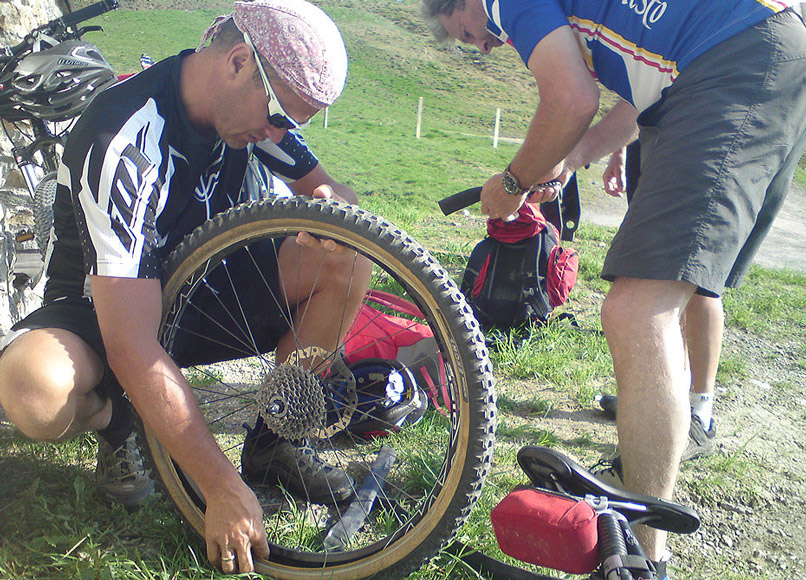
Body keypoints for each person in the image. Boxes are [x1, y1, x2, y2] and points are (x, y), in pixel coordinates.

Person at [419, 0, 806, 576]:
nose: (482, 45)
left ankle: (645, 561)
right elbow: (638, 98)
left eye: (465, 32)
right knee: (672, 296)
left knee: (635, 310)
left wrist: (511, 181)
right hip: (761, 52)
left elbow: (572, 100)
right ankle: (666, 452)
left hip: (735, 60)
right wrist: (571, 158)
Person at [0, 0, 371, 573]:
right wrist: (219, 485)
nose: (279, 134)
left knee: (347, 260)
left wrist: (328, 210)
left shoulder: (251, 116)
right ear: (239, 62)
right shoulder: (124, 139)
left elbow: (334, 194)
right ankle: (117, 420)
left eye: (292, 126)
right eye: (279, 118)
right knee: (31, 389)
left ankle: (277, 441)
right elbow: (131, 342)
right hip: (102, 310)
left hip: (201, 292)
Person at [599, 142, 719, 462]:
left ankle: (700, 413)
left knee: (699, 278)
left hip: (704, 142)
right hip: (654, 137)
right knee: (660, 275)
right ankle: (667, 405)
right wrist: (619, 151)